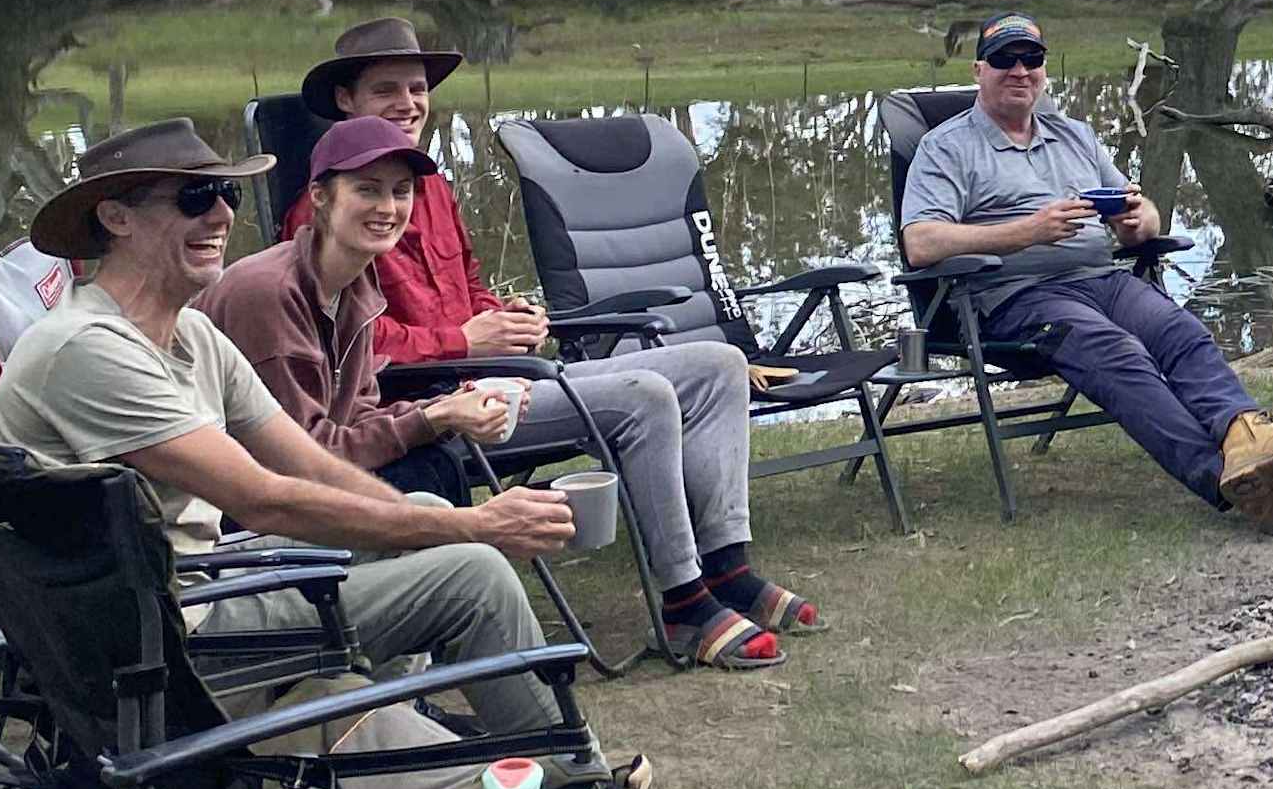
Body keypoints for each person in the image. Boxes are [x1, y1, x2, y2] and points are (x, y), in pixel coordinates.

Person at [0, 118, 770, 789]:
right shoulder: (88, 349)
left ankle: (408, 764)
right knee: (468, 577)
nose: (221, 214)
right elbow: (263, 498)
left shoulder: (187, 334)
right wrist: (476, 529)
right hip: (155, 655)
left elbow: (309, 463)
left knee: (424, 508)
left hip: (186, 602)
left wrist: (421, 519)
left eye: (226, 195)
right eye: (194, 198)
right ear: (116, 218)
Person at [211, 115, 824, 670]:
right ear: (320, 198)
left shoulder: (355, 279)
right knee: (647, 395)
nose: (389, 206)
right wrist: (442, 399)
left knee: (720, 363)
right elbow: (304, 455)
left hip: (475, 386)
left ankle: (728, 568)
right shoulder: (275, 292)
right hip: (346, 455)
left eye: (400, 191)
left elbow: (368, 400)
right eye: (368, 190)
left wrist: (504, 326)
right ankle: (685, 600)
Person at [900, 13, 1273, 531]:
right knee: (1118, 352)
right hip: (1016, 297)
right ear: (979, 70)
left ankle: (1250, 436)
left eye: (1031, 59)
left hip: (1102, 280)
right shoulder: (946, 147)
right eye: (1004, 60)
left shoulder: (1074, 135)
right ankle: (1225, 476)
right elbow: (921, 243)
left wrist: (1140, 222)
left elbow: (1143, 210)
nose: (1019, 70)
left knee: (1181, 332)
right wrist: (1027, 231)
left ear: (1043, 69)